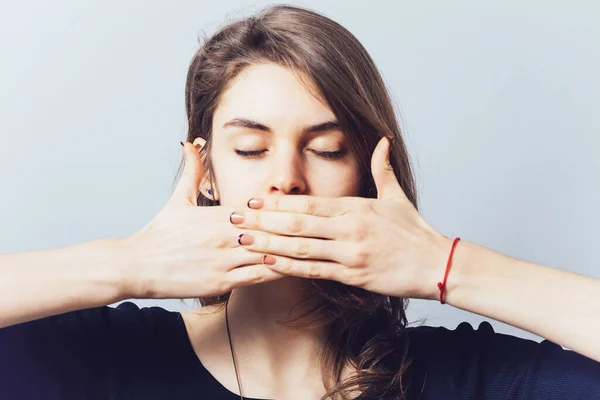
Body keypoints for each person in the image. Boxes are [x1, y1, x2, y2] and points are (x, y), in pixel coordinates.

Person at [1, 4, 599, 400]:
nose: (285, 179)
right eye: (252, 148)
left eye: (328, 149)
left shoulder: (460, 378)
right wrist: (125, 265)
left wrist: (444, 265)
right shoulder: (97, 358)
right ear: (206, 172)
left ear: (368, 175)